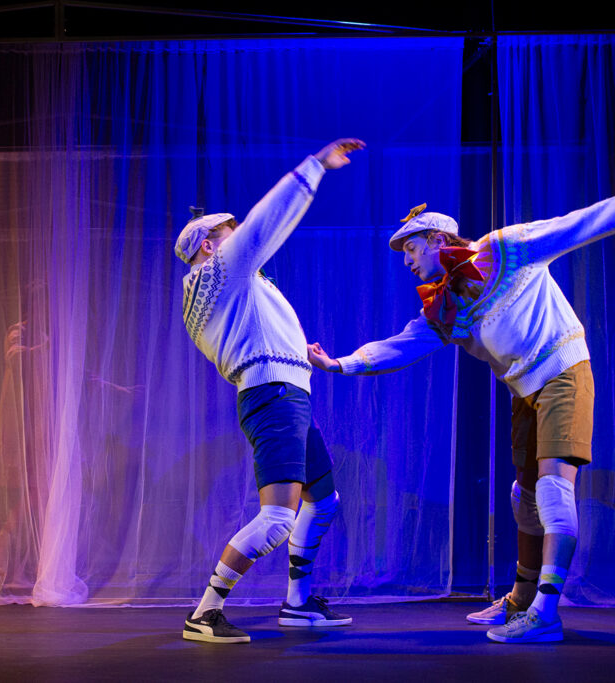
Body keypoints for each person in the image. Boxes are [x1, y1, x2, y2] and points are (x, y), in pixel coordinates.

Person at [308, 198, 615, 643]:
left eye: (411, 249)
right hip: (524, 392)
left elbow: (581, 223)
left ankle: (546, 612)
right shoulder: (446, 305)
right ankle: (521, 600)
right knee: (525, 497)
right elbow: (402, 345)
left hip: (563, 371)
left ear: (438, 240)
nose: (407, 261)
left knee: (552, 489)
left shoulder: (507, 248)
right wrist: (340, 364)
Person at [176, 138, 365, 644]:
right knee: (279, 518)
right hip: (275, 396)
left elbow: (252, 333)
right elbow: (266, 223)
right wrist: (315, 167)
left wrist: (295, 349)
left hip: (286, 394)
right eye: (229, 233)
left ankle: (298, 603)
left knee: (322, 500)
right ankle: (205, 611)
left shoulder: (223, 288)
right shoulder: (217, 274)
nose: (240, 237)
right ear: (209, 246)